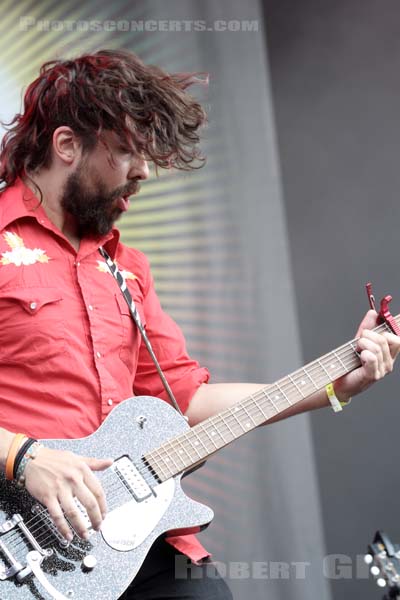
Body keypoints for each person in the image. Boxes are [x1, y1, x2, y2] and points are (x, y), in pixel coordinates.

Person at [0, 49, 398, 600]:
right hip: (26, 550)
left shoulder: (126, 267)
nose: (143, 171)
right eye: (125, 153)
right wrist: (21, 457)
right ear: (67, 145)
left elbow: (189, 401)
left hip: (146, 541)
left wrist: (336, 384)